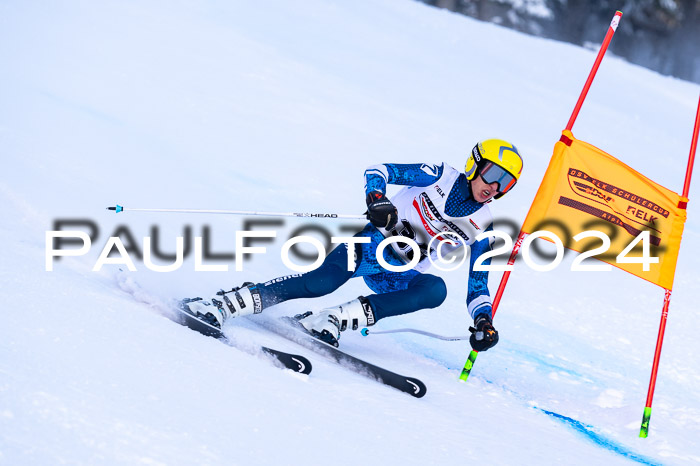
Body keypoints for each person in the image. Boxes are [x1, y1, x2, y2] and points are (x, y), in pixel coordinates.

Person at [185, 139, 523, 351]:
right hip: (371, 247)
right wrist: (376, 198)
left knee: (435, 290)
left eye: (506, 182)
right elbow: (379, 170)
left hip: (401, 276)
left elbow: (478, 285)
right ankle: (227, 303)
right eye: (492, 174)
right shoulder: (439, 176)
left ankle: (333, 318)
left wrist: (484, 322)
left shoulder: (483, 225)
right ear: (474, 165)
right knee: (320, 282)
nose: (494, 186)